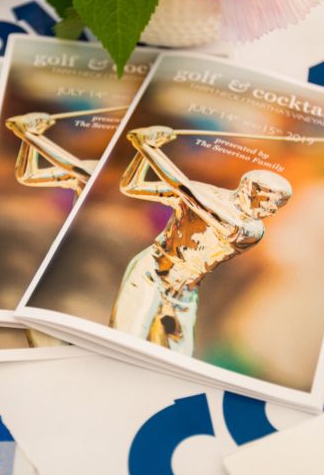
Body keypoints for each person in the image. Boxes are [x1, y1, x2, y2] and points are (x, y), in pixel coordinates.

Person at [110, 125, 292, 355]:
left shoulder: (250, 230)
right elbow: (131, 186)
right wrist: (142, 152)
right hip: (151, 273)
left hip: (184, 293)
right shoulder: (204, 192)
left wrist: (147, 145)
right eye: (270, 202)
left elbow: (185, 190)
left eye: (279, 205)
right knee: (126, 338)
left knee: (178, 354)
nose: (273, 211)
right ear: (249, 190)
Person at [6, 112, 97, 196]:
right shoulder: (90, 167)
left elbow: (73, 167)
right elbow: (27, 177)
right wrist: (32, 134)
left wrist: (27, 134)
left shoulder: (95, 171)